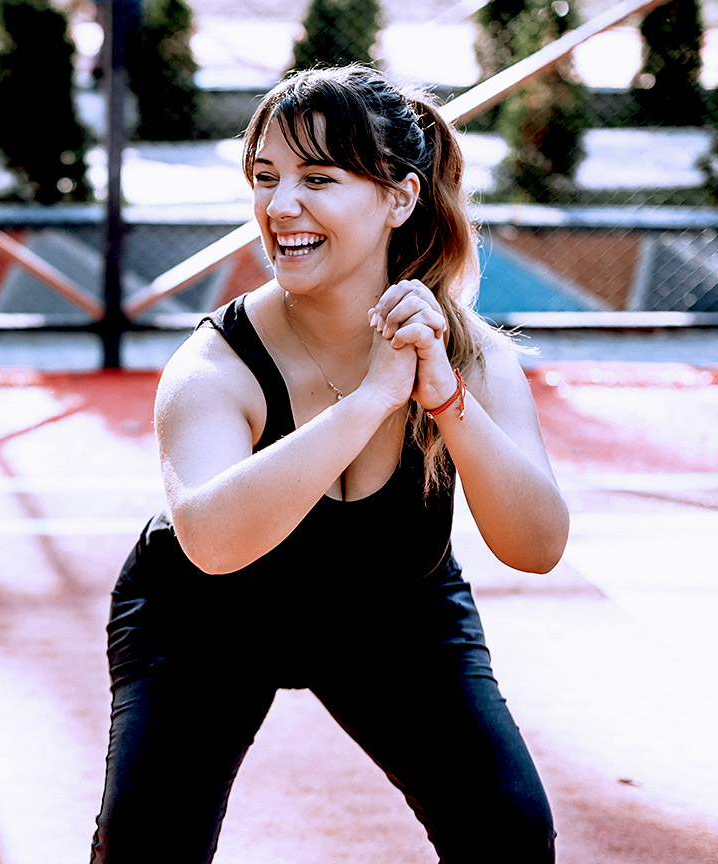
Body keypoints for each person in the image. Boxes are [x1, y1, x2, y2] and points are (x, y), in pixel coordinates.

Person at [89, 65, 568, 863]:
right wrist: (369, 401)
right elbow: (211, 542)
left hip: (395, 612)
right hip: (205, 623)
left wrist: (445, 401)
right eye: (266, 178)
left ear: (400, 198)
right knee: (147, 849)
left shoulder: (467, 355)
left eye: (318, 178)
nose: (280, 208)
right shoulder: (214, 368)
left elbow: (538, 545)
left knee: (509, 836)